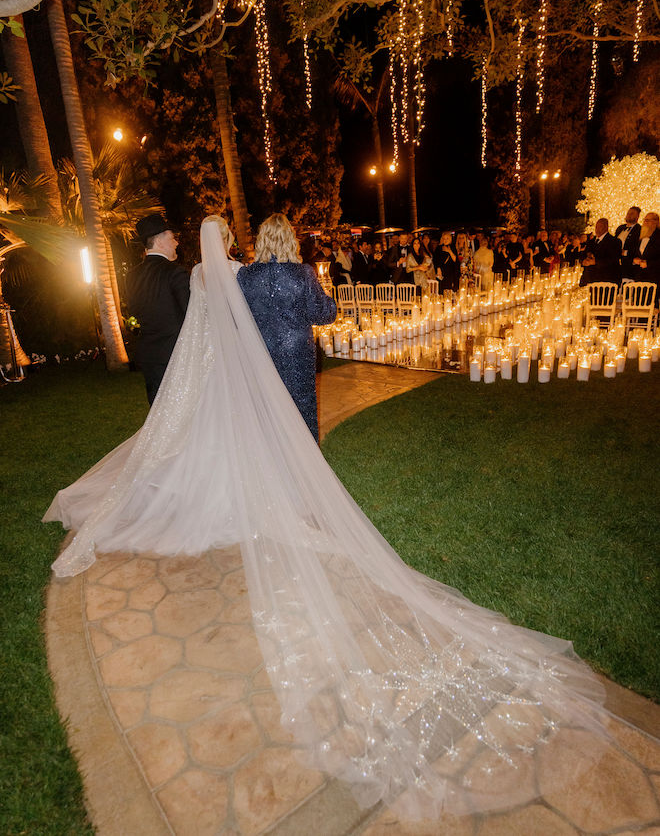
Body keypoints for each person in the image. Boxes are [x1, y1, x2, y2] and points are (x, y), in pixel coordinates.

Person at [45, 216, 627, 824]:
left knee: (268, 432)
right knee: (301, 429)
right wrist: (315, 300)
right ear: (290, 243)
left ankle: (281, 481)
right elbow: (324, 313)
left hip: (255, 367)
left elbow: (226, 324)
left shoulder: (241, 283)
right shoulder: (298, 274)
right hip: (294, 364)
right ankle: (301, 488)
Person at [237, 214, 336, 442]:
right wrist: (330, 299)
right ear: (290, 239)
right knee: (301, 405)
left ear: (262, 239)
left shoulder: (245, 276)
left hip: (260, 352)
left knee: (265, 406)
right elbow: (322, 314)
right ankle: (306, 458)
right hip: (296, 352)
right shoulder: (303, 273)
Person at [126, 213, 190, 405]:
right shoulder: (175, 272)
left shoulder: (132, 275)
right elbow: (191, 313)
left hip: (149, 355)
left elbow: (134, 310)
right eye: (172, 238)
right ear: (160, 241)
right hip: (176, 354)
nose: (176, 243)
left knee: (157, 414)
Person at [580, 218, 621, 286]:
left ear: (606, 227)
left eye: (600, 226)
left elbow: (613, 260)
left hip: (605, 280)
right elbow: (583, 254)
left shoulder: (614, 241)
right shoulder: (591, 241)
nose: (597, 229)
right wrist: (584, 261)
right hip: (589, 279)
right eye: (596, 226)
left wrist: (595, 262)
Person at [632, 211, 660, 299]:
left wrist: (649, 264)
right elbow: (634, 253)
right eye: (644, 220)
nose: (645, 223)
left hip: (654, 278)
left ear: (655, 222)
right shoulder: (640, 236)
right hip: (639, 278)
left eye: (648, 220)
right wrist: (634, 260)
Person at [615, 206, 642, 282]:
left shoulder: (639, 230)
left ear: (637, 216)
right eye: (628, 213)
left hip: (629, 266)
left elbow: (639, 247)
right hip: (617, 265)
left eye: (632, 213)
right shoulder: (620, 228)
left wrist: (625, 252)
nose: (629, 215)